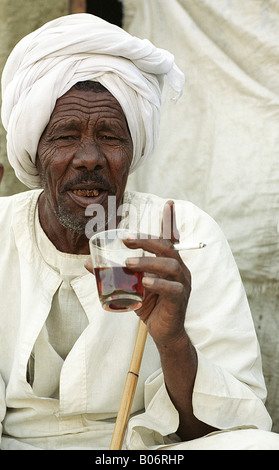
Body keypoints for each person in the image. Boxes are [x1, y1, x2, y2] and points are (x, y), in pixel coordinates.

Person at [0, 13, 278, 451]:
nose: (89, 157)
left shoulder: (185, 232)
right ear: (34, 152)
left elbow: (222, 430)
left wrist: (173, 340)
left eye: (110, 137)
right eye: (66, 136)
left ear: (133, 151)